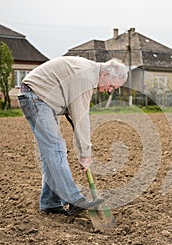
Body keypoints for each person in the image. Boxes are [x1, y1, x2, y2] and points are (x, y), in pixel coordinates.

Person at [18, 56, 128, 216]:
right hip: (35, 97)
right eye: (112, 86)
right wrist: (85, 155)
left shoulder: (90, 72)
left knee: (52, 153)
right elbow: (81, 119)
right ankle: (75, 200)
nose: (110, 90)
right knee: (56, 150)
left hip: (41, 98)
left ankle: (50, 203)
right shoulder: (85, 77)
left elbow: (75, 110)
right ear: (105, 75)